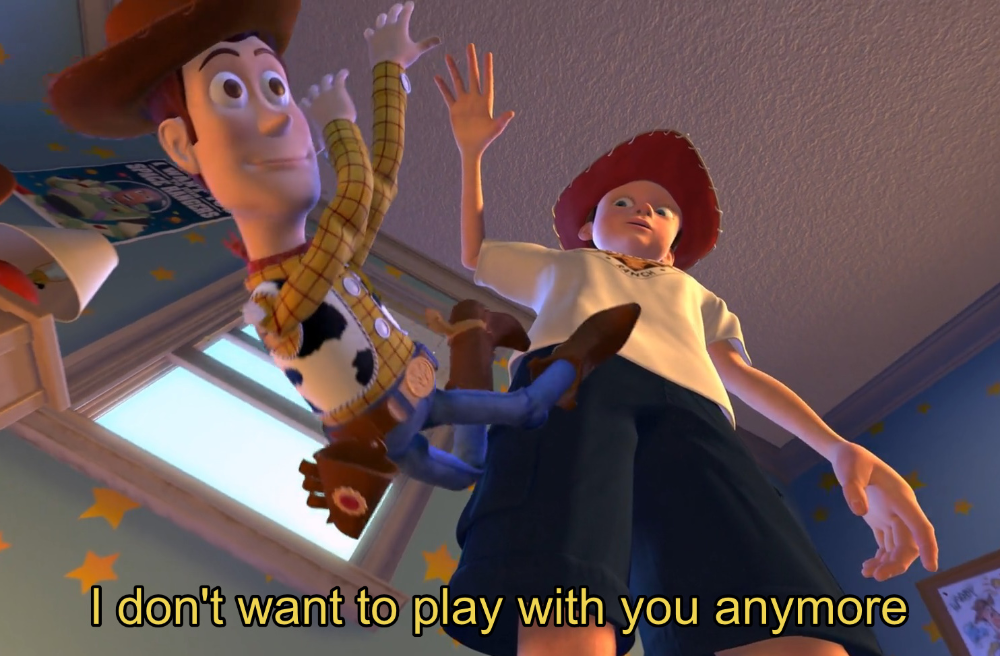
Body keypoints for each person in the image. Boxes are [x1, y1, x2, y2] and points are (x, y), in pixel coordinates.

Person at [46, 0, 639, 539]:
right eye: (231, 90)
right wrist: (339, 120)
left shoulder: (323, 264)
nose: (281, 120)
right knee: (468, 472)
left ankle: (565, 359)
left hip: (415, 391)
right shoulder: (282, 302)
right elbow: (355, 193)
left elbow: (380, 182)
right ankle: (478, 345)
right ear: (182, 146)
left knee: (523, 413)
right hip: (382, 433)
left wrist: (391, 72)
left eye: (275, 86)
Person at [433, 43, 940, 656]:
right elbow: (476, 254)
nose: (643, 210)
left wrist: (836, 446)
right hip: (572, 386)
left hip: (695, 411)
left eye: (662, 209)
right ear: (586, 229)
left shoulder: (695, 294)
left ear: (675, 246)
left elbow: (739, 372)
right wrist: (471, 153)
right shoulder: (562, 266)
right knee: (560, 585)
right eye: (623, 201)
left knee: (783, 609)